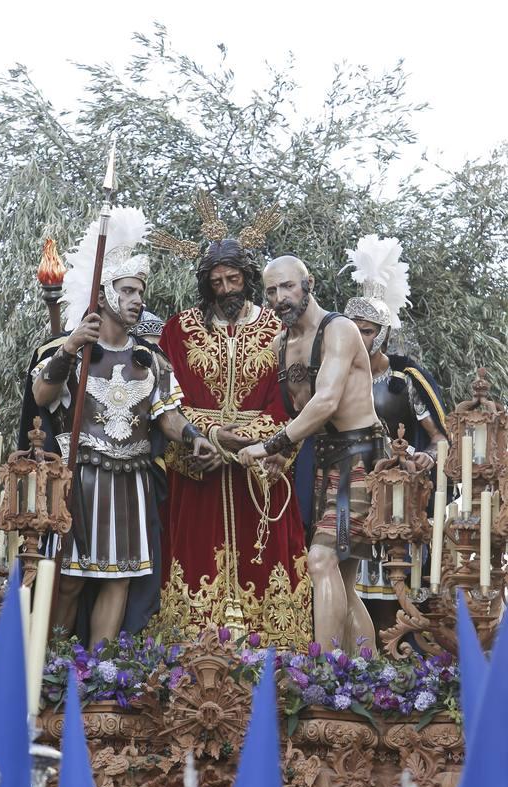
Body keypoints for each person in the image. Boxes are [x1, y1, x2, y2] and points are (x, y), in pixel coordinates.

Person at [27, 208, 215, 646]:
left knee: (119, 579)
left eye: (140, 292)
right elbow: (40, 397)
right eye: (127, 290)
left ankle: (99, 674)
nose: (137, 300)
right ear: (105, 292)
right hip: (82, 479)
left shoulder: (150, 360)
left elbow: (166, 416)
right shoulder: (70, 351)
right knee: (72, 578)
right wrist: (71, 346)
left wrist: (195, 437)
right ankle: (53, 664)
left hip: (131, 482)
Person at [157, 219, 310, 647]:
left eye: (234, 278)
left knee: (266, 564)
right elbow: (166, 399)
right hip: (198, 465)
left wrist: (256, 441)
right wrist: (205, 435)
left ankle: (278, 661)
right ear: (206, 285)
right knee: (194, 556)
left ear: (248, 277)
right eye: (217, 281)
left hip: (260, 469)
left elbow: (291, 400)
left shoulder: (279, 330)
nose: (226, 289)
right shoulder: (178, 329)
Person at [239, 255, 384, 652]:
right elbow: (303, 414)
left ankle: (325, 674)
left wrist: (271, 445)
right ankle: (364, 677)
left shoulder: (339, 330)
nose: (279, 298)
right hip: (324, 458)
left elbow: (325, 403)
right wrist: (284, 457)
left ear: (309, 284)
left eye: (287, 286)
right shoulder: (280, 344)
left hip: (359, 457)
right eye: (271, 291)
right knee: (344, 581)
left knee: (321, 560)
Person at [343, 236, 447, 629]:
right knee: (347, 587)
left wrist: (428, 457)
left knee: (394, 602)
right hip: (347, 490)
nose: (358, 337)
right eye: (352, 329)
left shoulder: (405, 379)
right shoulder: (335, 377)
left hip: (398, 498)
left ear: (383, 332)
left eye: (367, 330)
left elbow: (439, 436)